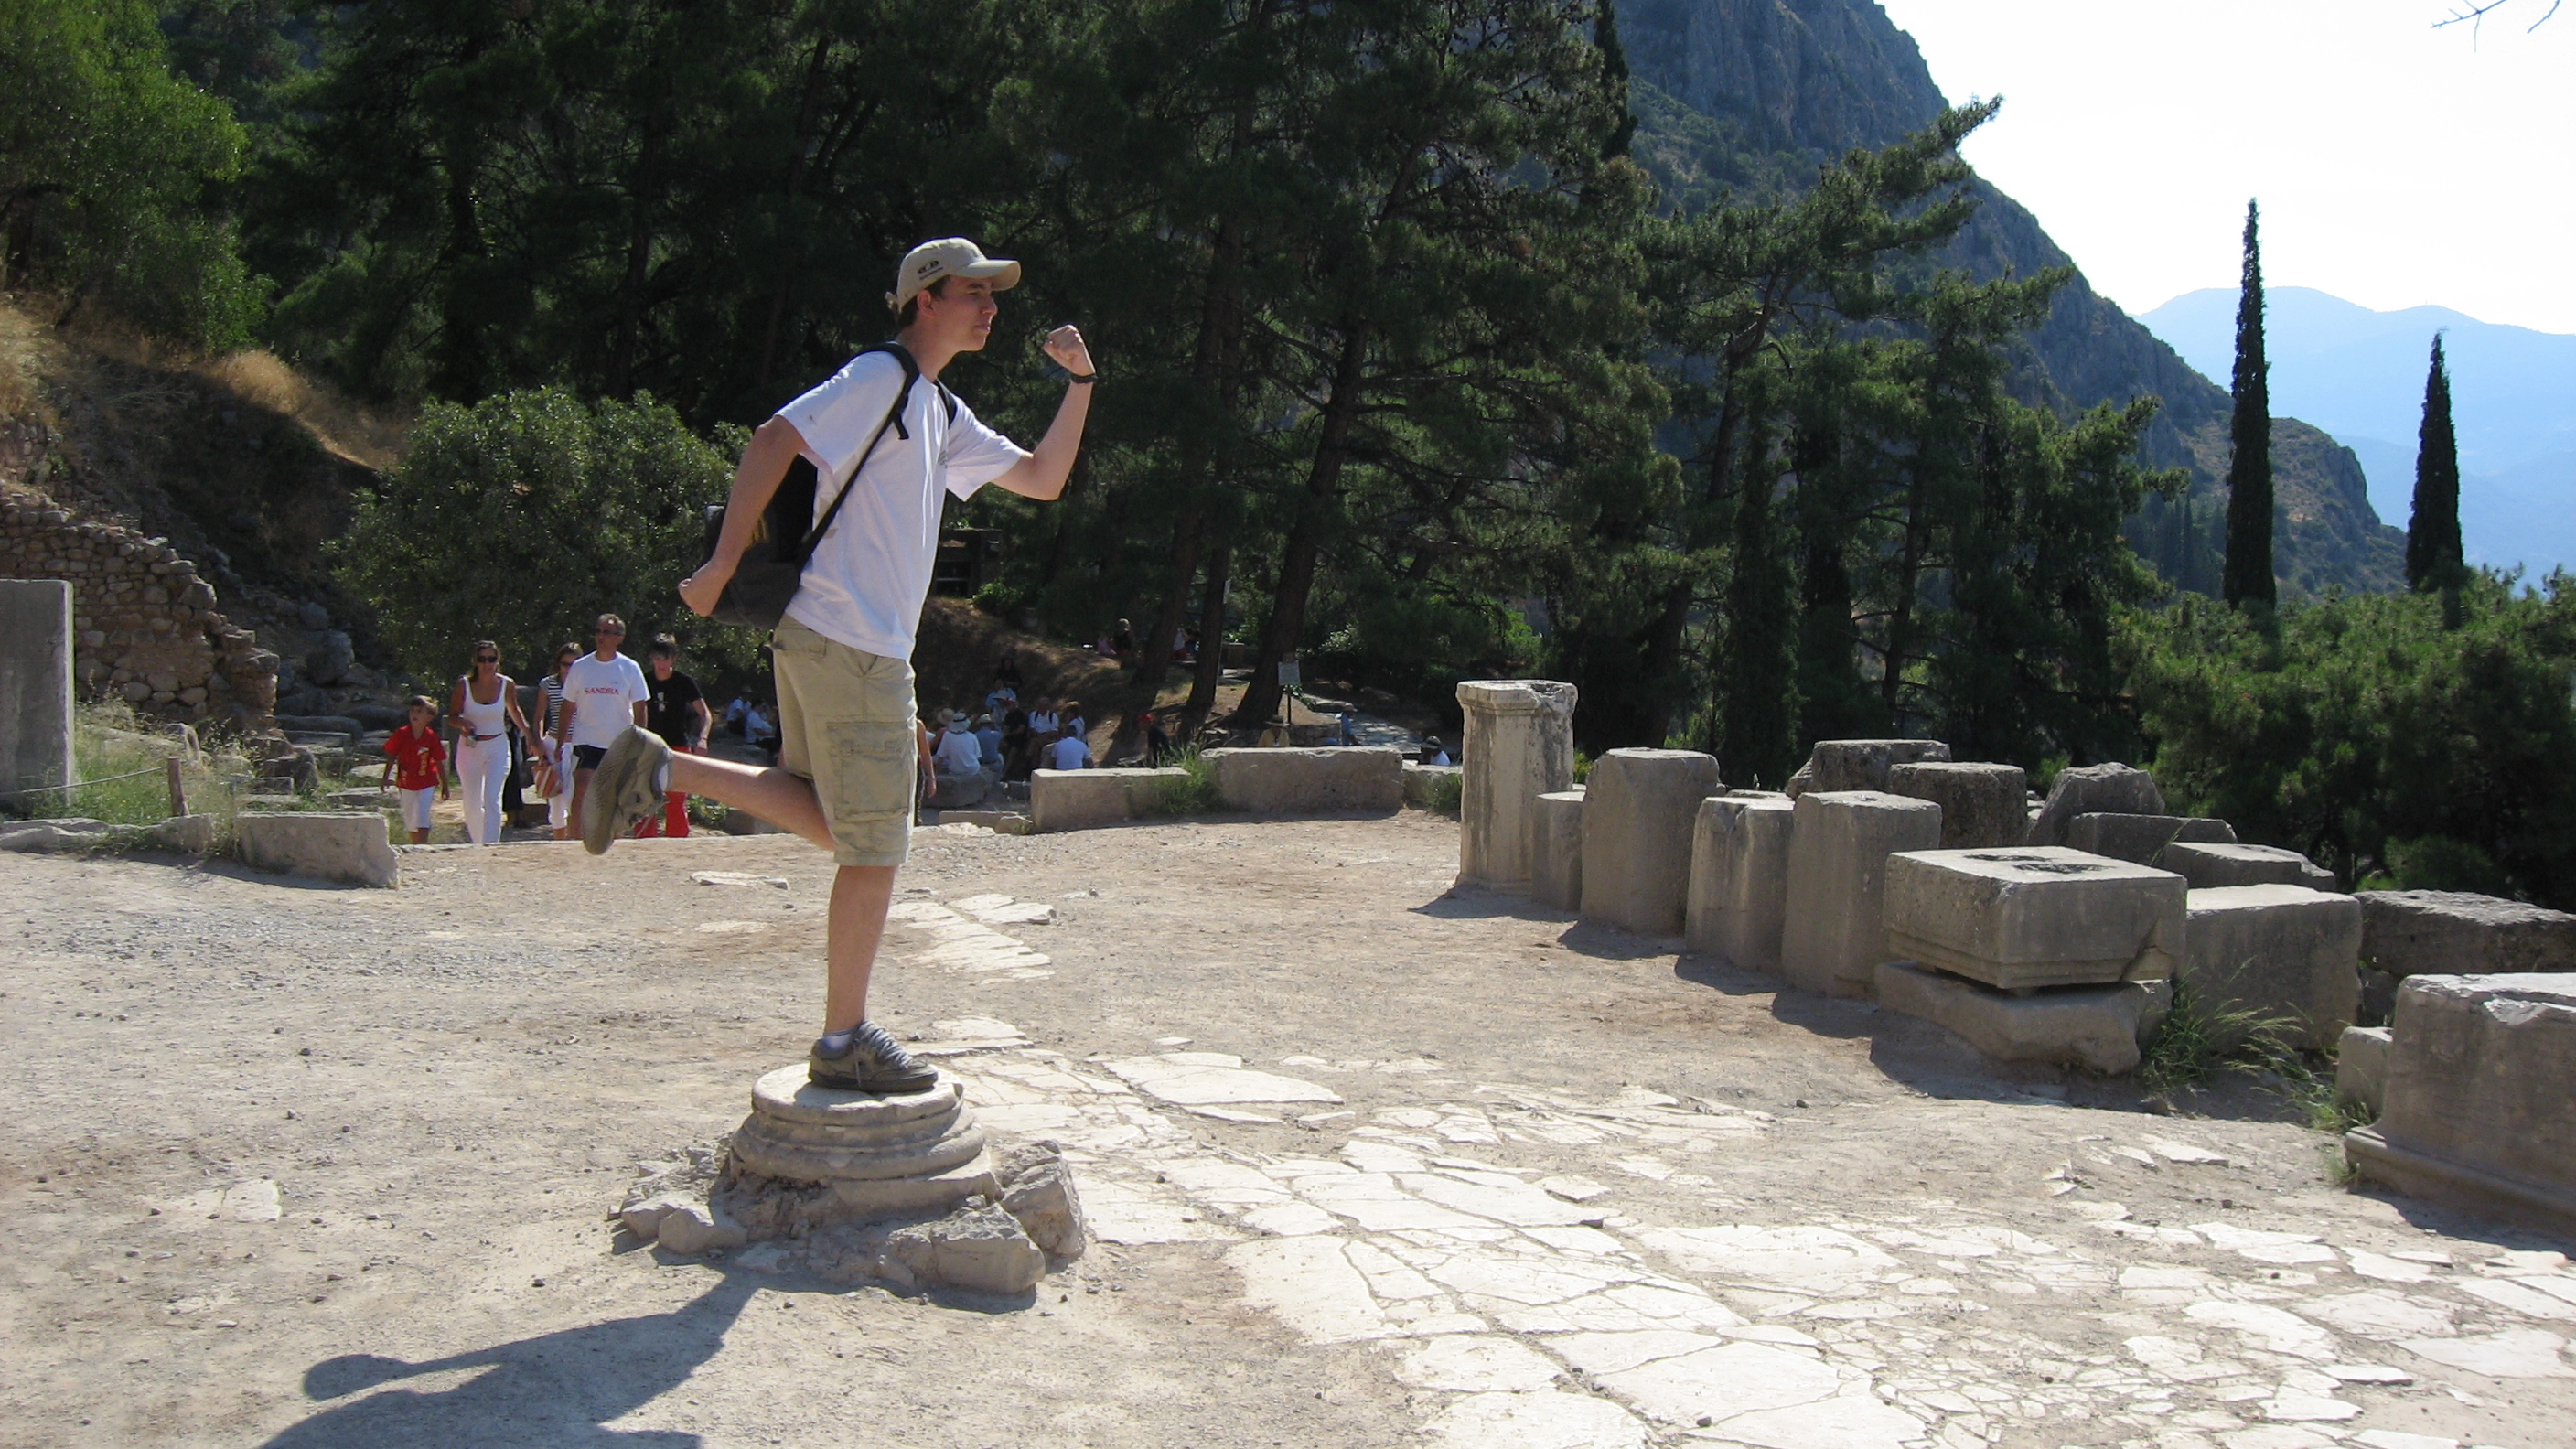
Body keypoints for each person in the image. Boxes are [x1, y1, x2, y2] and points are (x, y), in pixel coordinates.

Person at [590, 237, 1093, 1094]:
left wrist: (1081, 385)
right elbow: (772, 439)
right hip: (850, 643)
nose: (990, 307)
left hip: (839, 643)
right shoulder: (880, 377)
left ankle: (663, 767)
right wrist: (720, 564)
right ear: (926, 299)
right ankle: (843, 1038)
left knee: (846, 827)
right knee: (875, 848)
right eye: (974, 292)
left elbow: (1044, 479)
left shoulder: (938, 407)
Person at [560, 614, 650, 840]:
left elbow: (640, 708)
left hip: (619, 743)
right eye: (598, 631)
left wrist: (640, 743)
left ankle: (613, 842)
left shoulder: (630, 668)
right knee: (583, 787)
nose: (601, 636)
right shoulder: (581, 667)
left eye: (607, 632)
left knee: (615, 796)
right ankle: (574, 841)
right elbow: (567, 706)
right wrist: (560, 743)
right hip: (586, 741)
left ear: (619, 637)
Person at [448, 640, 534, 845]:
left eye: (491, 659)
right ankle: (478, 844)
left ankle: (490, 846)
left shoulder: (506, 684)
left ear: (498, 661)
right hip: (470, 747)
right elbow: (452, 716)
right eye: (482, 659)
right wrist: (462, 723)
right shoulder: (464, 685)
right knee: (472, 803)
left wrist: (530, 736)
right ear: (475, 661)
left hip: (497, 745)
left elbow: (515, 711)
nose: (487, 664)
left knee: (492, 799)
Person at [639, 634, 712, 838]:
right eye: (657, 658)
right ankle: (644, 842)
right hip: (649, 746)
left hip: (677, 745)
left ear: (674, 658)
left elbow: (705, 713)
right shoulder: (643, 681)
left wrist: (703, 739)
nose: (661, 664)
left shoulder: (684, 682)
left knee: (676, 798)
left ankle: (678, 841)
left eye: (665, 658)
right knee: (645, 798)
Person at [381, 696, 449, 844]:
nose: (414, 714)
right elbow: (391, 755)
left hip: (427, 782)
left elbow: (439, 761)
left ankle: (422, 845)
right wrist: (385, 777)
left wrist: (445, 785)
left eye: (419, 711)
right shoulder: (401, 734)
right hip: (406, 782)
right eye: (412, 711)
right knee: (410, 819)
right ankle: (416, 845)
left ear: (429, 717)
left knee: (422, 815)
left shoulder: (431, 737)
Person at [537, 643, 580, 836]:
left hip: (578, 744)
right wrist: (538, 742)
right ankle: (559, 842)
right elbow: (539, 716)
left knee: (574, 795)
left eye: (573, 664)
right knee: (554, 796)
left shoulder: (585, 685)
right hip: (553, 742)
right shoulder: (548, 684)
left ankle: (574, 839)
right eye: (564, 664)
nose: (568, 669)